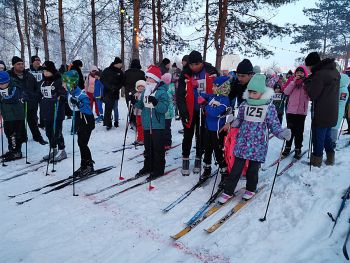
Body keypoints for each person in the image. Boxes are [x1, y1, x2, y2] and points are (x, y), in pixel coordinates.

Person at [218, 74, 291, 203]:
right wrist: (231, 121)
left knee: (253, 169)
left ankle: (250, 189)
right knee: (236, 168)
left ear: (262, 92)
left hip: (258, 144)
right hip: (243, 142)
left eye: (254, 92)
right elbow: (239, 121)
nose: (251, 95)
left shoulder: (269, 107)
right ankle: (228, 191)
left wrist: (281, 133)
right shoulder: (244, 105)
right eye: (250, 92)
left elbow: (274, 124)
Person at [176, 50, 218, 176]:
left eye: (196, 64)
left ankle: (199, 157)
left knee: (201, 135)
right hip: (189, 110)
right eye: (191, 65)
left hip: (204, 109)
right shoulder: (185, 74)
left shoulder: (210, 72)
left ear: (201, 63)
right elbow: (180, 95)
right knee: (188, 135)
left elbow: (217, 90)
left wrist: (209, 102)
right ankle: (185, 158)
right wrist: (183, 111)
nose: (194, 67)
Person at [304, 52, 340, 167]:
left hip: (321, 111)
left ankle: (316, 161)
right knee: (326, 136)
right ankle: (330, 157)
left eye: (308, 67)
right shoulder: (334, 71)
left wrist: (308, 83)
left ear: (312, 65)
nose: (308, 70)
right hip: (332, 110)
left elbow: (313, 94)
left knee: (318, 137)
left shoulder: (319, 75)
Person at [134, 65, 169, 178]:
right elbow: (141, 105)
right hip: (147, 123)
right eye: (146, 78)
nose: (147, 80)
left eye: (149, 78)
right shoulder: (145, 91)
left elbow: (164, 109)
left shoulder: (162, 92)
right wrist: (134, 101)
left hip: (157, 124)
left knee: (158, 149)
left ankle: (158, 169)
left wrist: (156, 103)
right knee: (148, 148)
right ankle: (148, 166)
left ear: (156, 79)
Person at [63, 70, 95, 176]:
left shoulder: (81, 94)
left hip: (86, 120)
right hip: (79, 120)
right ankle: (84, 165)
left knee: (82, 143)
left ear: (71, 82)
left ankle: (89, 166)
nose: (63, 84)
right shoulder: (70, 91)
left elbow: (87, 108)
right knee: (80, 143)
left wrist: (78, 102)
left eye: (65, 82)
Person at [198, 76, 230, 183]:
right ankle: (207, 169)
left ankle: (224, 173)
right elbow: (201, 95)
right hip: (208, 129)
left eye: (215, 86)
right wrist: (195, 88)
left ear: (222, 87)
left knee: (218, 152)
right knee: (207, 150)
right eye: (213, 85)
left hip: (217, 131)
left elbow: (214, 113)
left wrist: (205, 104)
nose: (212, 88)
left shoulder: (225, 100)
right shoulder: (213, 96)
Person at [9, 56, 47, 145]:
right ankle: (23, 138)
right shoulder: (9, 75)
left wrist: (34, 97)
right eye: (18, 64)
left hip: (30, 103)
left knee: (33, 121)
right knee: (20, 122)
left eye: (22, 64)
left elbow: (37, 88)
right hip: (17, 104)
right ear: (13, 65)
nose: (21, 66)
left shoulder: (29, 75)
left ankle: (38, 137)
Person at [40, 61, 67, 162]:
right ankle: (54, 149)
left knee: (57, 132)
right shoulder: (43, 81)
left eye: (47, 71)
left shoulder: (59, 80)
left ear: (52, 71)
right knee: (49, 132)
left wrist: (61, 96)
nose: (45, 73)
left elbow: (64, 92)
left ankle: (62, 150)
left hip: (57, 110)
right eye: (44, 71)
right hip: (46, 110)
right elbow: (39, 93)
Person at [281, 66, 310, 159]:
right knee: (290, 131)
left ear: (305, 74)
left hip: (301, 112)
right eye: (298, 72)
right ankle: (287, 147)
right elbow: (286, 92)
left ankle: (298, 148)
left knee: (299, 132)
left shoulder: (307, 83)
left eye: (301, 73)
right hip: (291, 111)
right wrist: (293, 82)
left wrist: (306, 85)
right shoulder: (292, 81)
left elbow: (310, 96)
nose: (299, 74)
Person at [0, 71, 26, 161]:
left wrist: (2, 99)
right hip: (7, 114)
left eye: (3, 84)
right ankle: (12, 150)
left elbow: (13, 97)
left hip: (16, 115)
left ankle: (17, 151)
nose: (1, 86)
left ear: (7, 81)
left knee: (15, 133)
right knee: (8, 132)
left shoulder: (15, 86)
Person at [101, 57, 124, 130]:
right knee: (108, 108)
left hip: (115, 92)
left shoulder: (120, 72)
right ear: (117, 64)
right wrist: (109, 86)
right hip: (107, 92)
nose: (121, 65)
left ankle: (116, 122)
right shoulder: (107, 70)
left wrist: (116, 88)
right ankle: (108, 123)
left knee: (115, 108)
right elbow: (102, 79)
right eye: (120, 64)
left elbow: (122, 82)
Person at [330, 73, 349, 148]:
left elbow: (341, 101)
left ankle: (333, 142)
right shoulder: (340, 88)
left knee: (334, 127)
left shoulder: (343, 90)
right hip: (335, 110)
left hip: (338, 111)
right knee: (333, 126)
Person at [27, 55, 46, 129]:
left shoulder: (44, 69)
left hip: (42, 92)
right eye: (36, 60)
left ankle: (43, 123)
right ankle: (34, 122)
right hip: (32, 93)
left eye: (39, 60)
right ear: (32, 62)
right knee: (33, 109)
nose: (38, 61)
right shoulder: (28, 71)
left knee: (43, 109)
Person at [162, 73, 175, 149]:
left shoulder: (170, 86)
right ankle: (164, 142)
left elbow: (174, 95)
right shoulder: (165, 86)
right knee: (165, 128)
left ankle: (167, 142)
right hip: (164, 110)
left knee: (166, 128)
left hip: (168, 111)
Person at [133, 80, 146, 145]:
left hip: (142, 112)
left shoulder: (145, 94)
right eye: (139, 86)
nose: (140, 88)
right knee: (138, 125)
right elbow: (134, 103)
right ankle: (139, 137)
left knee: (142, 125)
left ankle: (142, 138)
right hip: (137, 112)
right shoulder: (135, 94)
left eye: (142, 86)